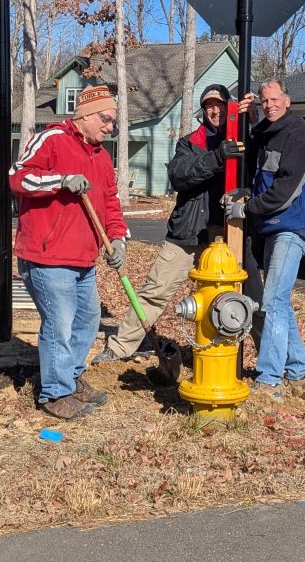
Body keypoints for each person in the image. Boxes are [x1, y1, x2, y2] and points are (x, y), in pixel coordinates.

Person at [94, 83, 263, 362]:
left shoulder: (245, 140)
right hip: (188, 232)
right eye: (209, 106)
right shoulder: (190, 142)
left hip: (229, 232)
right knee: (156, 291)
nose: (214, 110)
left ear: (228, 108)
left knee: (247, 297)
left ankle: (269, 362)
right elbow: (179, 175)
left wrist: (253, 121)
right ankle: (120, 347)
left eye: (219, 105)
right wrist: (218, 157)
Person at [9, 83, 129, 420]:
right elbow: (18, 178)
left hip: (83, 258)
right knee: (59, 325)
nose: (110, 127)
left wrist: (118, 238)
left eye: (113, 121)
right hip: (47, 257)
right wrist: (60, 181)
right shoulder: (52, 140)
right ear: (86, 115)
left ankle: (70, 377)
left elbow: (111, 202)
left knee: (88, 322)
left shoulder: (102, 157)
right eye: (106, 119)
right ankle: (54, 392)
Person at [224, 78, 305, 402]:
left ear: (288, 100)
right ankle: (299, 372)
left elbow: (284, 191)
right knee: (280, 301)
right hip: (273, 226)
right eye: (264, 101)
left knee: (273, 301)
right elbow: (255, 167)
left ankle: (269, 380)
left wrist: (247, 207)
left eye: (274, 99)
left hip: (292, 227)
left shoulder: (301, 136)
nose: (269, 105)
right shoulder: (269, 132)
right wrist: (248, 120)